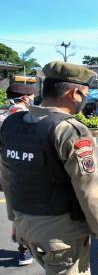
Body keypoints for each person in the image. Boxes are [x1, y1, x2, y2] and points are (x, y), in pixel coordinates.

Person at [0, 61, 98, 274]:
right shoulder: (69, 130)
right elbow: (88, 188)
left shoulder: (12, 124)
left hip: (26, 226)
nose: (86, 99)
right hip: (61, 235)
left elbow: (8, 177)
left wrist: (15, 218)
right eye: (86, 94)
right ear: (74, 94)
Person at [0, 83, 37, 266]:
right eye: (31, 97)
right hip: (25, 171)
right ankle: (26, 249)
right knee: (29, 211)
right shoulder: (26, 117)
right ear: (24, 98)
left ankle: (25, 247)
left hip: (6, 170)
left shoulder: (3, 115)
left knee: (17, 210)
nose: (32, 100)